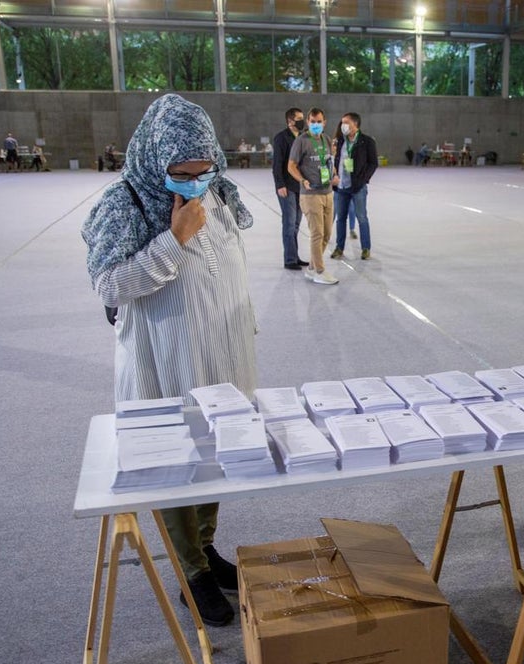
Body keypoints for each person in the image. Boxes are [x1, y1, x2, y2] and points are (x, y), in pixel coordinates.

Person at [81, 94, 256, 627]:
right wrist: (174, 240)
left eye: (204, 171)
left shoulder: (217, 192)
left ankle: (205, 547)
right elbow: (110, 284)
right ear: (156, 160)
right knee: (177, 458)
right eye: (182, 174)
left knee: (215, 451)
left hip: (221, 352)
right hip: (166, 360)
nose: (195, 183)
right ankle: (190, 570)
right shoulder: (125, 203)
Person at [287, 107, 339, 285]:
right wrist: (302, 180)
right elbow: (291, 166)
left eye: (319, 122)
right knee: (317, 234)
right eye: (313, 121)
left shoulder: (326, 139)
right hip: (310, 195)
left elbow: (329, 161)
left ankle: (311, 267)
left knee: (326, 234)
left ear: (324, 122)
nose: (316, 124)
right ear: (308, 122)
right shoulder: (301, 141)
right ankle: (320, 271)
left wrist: (335, 174)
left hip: (327, 192)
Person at [330, 112, 379, 261]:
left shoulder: (367, 141)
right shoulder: (339, 141)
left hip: (358, 187)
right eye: (342, 123)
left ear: (355, 124)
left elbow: (373, 163)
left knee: (361, 217)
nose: (343, 126)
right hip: (341, 187)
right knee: (340, 219)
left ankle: (366, 248)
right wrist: (334, 176)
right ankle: (339, 248)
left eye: (346, 123)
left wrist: (363, 179)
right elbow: (334, 160)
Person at [272, 107, 308, 271]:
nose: (302, 121)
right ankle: (289, 259)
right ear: (290, 121)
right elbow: (277, 164)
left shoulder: (303, 137)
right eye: (299, 118)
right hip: (287, 186)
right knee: (289, 223)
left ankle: (294, 256)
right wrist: (280, 185)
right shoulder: (281, 138)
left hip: (300, 185)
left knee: (296, 224)